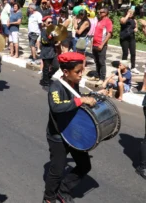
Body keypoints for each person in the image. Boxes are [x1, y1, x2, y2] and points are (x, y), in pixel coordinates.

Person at [43, 52, 96, 203]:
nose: (81, 74)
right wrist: (81, 100)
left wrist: (91, 97)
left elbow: (76, 99)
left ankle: (63, 190)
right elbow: (56, 106)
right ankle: (48, 198)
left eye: (82, 70)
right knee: (57, 171)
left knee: (85, 165)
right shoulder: (55, 86)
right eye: (78, 71)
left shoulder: (74, 83)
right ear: (66, 72)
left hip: (72, 133)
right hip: (58, 135)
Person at [92, 8, 113, 86]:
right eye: (99, 11)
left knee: (101, 62)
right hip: (95, 44)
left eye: (102, 12)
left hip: (101, 45)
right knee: (96, 61)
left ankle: (102, 78)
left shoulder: (108, 21)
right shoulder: (99, 20)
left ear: (106, 13)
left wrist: (102, 44)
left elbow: (109, 34)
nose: (99, 13)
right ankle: (97, 76)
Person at [39, 16, 59, 88]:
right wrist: (51, 36)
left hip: (52, 51)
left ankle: (48, 76)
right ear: (45, 23)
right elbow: (44, 41)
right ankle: (45, 82)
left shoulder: (52, 30)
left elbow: (55, 41)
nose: (50, 23)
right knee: (46, 68)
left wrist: (57, 39)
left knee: (56, 66)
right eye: (49, 22)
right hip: (46, 51)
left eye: (51, 22)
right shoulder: (44, 31)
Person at [120, 9, 140, 74]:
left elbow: (136, 28)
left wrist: (136, 29)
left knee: (133, 53)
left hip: (132, 38)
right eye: (129, 12)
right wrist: (128, 15)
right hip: (124, 38)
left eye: (132, 12)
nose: (131, 13)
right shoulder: (123, 18)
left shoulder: (134, 20)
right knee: (125, 53)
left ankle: (133, 67)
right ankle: (123, 67)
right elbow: (123, 22)